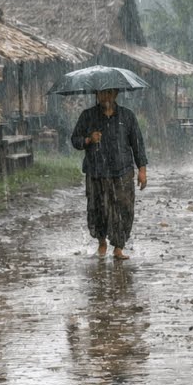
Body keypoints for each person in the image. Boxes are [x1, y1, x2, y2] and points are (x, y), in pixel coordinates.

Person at [70, 87, 148, 260]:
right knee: (98, 207)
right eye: (102, 93)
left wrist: (142, 170)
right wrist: (89, 139)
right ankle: (101, 242)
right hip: (96, 171)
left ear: (116, 94)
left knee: (125, 207)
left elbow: (137, 144)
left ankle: (119, 247)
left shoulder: (127, 116)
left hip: (123, 171)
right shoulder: (87, 116)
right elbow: (75, 140)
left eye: (109, 93)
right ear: (96, 95)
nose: (106, 97)